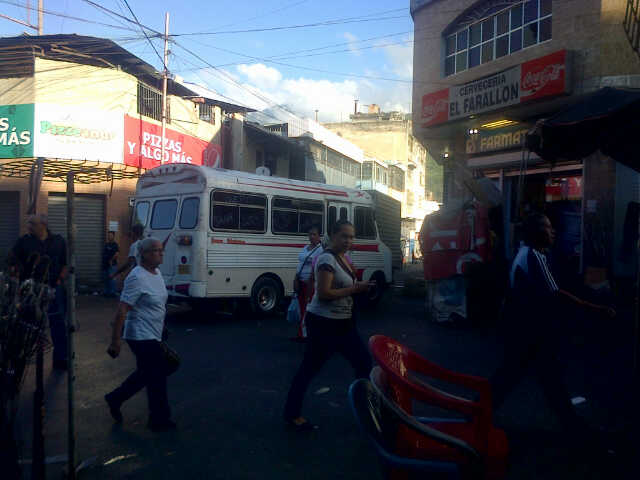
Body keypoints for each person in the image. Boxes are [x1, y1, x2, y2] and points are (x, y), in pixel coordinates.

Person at [490, 213, 615, 445]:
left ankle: (573, 426)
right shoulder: (533, 256)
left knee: (531, 380)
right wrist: (595, 308)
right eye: (547, 227)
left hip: (526, 333)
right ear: (535, 232)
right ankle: (575, 429)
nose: (553, 231)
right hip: (529, 335)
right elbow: (555, 293)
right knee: (525, 380)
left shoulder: (530, 254)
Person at [283, 220, 374, 431]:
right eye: (344, 236)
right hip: (324, 324)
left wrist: (360, 287)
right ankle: (292, 413)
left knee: (363, 363)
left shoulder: (343, 258)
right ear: (332, 235)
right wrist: (355, 289)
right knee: (309, 369)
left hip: (344, 323)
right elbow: (323, 294)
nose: (348, 241)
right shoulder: (326, 258)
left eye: (352, 237)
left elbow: (345, 286)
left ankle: (367, 409)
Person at [105, 237, 176, 432]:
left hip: (154, 333)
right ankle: (159, 420)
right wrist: (115, 341)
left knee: (148, 373)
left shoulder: (157, 273)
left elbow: (158, 304)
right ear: (143, 254)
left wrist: (161, 326)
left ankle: (115, 398)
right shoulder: (136, 277)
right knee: (157, 375)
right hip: (139, 335)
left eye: (161, 250)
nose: (160, 253)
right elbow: (122, 310)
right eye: (155, 250)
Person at [9, 214, 68, 370]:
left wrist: (60, 279)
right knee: (25, 324)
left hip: (54, 288)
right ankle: (19, 360)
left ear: (43, 224)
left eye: (32, 223)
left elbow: (65, 262)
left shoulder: (59, 241)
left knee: (58, 323)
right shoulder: (24, 241)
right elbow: (11, 260)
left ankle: (61, 359)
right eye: (28, 223)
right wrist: (15, 273)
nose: (29, 226)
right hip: (31, 289)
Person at [292, 227, 323, 341]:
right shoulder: (305, 248)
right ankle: (301, 333)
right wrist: (295, 278)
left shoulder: (320, 250)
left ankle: (308, 334)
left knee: (308, 309)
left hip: (310, 284)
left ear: (319, 236)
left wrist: (311, 281)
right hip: (300, 281)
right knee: (301, 308)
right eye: (310, 234)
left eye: (314, 234)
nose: (311, 237)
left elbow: (318, 268)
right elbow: (300, 263)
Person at [102, 231, 119, 297]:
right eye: (108, 235)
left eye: (110, 235)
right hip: (105, 265)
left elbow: (116, 254)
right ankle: (106, 292)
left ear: (113, 236)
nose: (109, 236)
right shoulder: (106, 244)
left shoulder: (115, 245)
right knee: (106, 279)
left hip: (112, 265)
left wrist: (111, 260)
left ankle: (113, 293)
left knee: (112, 279)